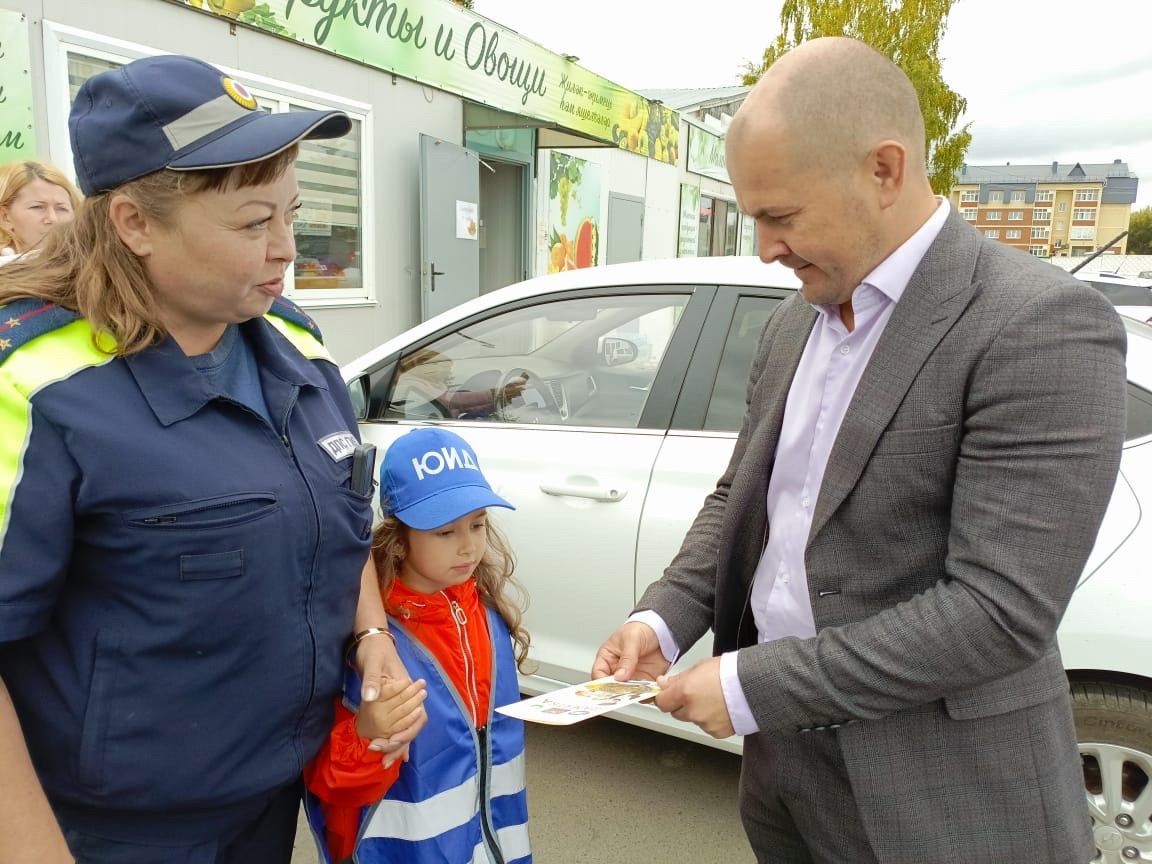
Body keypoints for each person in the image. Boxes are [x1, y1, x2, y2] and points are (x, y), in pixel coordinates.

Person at [593, 37, 1127, 864]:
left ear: (884, 169)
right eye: (753, 217)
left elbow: (999, 611)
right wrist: (665, 616)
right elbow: (748, 501)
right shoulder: (789, 326)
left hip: (946, 797)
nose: (765, 247)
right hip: (788, 777)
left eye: (782, 215)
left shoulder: (1038, 325)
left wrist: (746, 686)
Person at [0, 55, 426, 864]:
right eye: (252, 223)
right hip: (107, 834)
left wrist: (370, 632)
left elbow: (338, 519)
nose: (286, 250)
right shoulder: (35, 386)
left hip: (268, 804)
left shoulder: (296, 344)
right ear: (134, 223)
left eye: (292, 215)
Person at [305, 427, 532, 864]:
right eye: (445, 532)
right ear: (397, 537)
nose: (468, 545)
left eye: (478, 524)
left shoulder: (487, 616)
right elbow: (329, 782)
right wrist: (367, 736)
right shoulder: (370, 641)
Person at [393, 347, 529, 419]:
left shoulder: (432, 384)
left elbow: (467, 408)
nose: (447, 374)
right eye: (441, 367)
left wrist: (501, 402)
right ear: (420, 364)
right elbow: (453, 401)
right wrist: (496, 393)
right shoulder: (410, 383)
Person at [0, 160, 81, 262]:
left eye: (62, 209)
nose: (53, 218)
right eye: (37, 207)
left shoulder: (91, 268)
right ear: (5, 217)